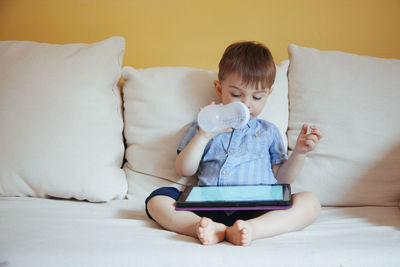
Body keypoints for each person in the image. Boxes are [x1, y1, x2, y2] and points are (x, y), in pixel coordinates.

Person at [146, 41, 323, 246]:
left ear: (268, 95)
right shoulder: (202, 125)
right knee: (157, 199)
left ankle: (252, 230)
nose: (247, 104)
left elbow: (281, 179)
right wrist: (203, 136)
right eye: (236, 95)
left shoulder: (268, 131)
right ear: (219, 89)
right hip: (208, 206)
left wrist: (300, 153)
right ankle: (202, 227)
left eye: (257, 97)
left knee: (310, 202)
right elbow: (184, 170)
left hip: (259, 208)